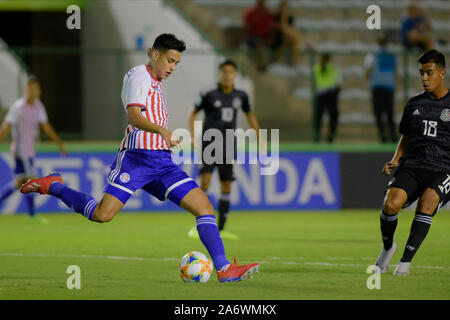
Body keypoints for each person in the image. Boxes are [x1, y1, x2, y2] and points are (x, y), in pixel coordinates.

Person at [20, 34, 259, 282]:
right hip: (136, 160)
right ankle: (54, 186)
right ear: (155, 54)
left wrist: (165, 139)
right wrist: (162, 131)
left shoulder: (155, 81)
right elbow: (134, 116)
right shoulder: (140, 77)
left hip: (163, 163)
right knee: (103, 215)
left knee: (204, 208)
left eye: (176, 63)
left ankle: (223, 269)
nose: (172, 67)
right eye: (170, 60)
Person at [375, 49, 450, 276]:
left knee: (427, 203)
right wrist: (395, 159)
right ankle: (388, 248)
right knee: (390, 204)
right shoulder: (413, 104)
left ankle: (405, 262)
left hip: (443, 169)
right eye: (421, 73)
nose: (424, 78)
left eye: (429, 73)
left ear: (442, 74)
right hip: (413, 165)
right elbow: (405, 138)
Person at [187, 59, 261, 240]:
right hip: (209, 143)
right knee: (205, 183)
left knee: (226, 185)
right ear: (219, 74)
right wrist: (192, 135)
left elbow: (249, 113)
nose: (227, 75)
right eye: (224, 72)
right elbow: (193, 113)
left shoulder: (241, 95)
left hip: (229, 144)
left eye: (231, 72)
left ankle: (222, 229)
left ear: (235, 75)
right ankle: (200, 227)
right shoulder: (209, 93)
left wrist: (258, 135)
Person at [0, 76, 67, 219]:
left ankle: (26, 211)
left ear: (39, 90)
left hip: (29, 150)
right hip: (20, 150)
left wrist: (59, 144)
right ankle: (32, 214)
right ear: (26, 89)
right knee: (31, 180)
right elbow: (6, 126)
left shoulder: (38, 106)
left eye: (35, 88)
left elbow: (46, 127)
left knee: (19, 182)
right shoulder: (18, 107)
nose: (33, 91)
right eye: (30, 88)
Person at [364, 35, 397, 143]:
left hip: (377, 87)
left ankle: (383, 137)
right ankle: (393, 136)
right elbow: (396, 71)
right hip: (389, 87)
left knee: (379, 114)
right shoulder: (392, 55)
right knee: (389, 114)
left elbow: (367, 73)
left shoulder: (372, 55)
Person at [312, 53, 341, 143]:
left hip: (320, 94)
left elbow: (314, 81)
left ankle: (317, 136)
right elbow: (339, 82)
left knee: (318, 116)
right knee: (333, 116)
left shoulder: (316, 68)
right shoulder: (333, 68)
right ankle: (331, 136)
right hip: (331, 94)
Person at [243, 0, 274, 71]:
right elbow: (247, 28)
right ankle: (260, 63)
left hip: (264, 38)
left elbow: (271, 28)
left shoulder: (268, 14)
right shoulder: (250, 13)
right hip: (252, 38)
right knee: (258, 43)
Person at [271, 0, 302, 66]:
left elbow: (291, 28)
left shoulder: (290, 18)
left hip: (288, 36)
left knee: (294, 41)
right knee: (285, 39)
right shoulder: (277, 17)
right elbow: (278, 28)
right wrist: (283, 18)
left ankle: (294, 61)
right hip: (278, 36)